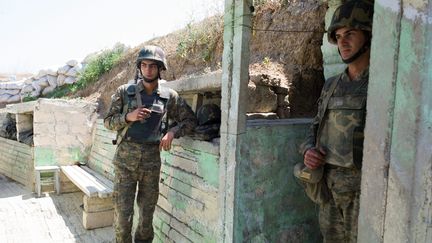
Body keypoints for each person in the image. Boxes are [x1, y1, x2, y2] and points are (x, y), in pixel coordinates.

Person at [104, 45, 197, 243]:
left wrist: (172, 132)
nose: (148, 70)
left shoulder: (168, 96)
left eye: (153, 66)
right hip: (124, 164)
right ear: (139, 67)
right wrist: (128, 117)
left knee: (146, 219)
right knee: (122, 218)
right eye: (144, 65)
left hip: (151, 164)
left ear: (160, 68)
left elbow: (190, 120)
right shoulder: (124, 92)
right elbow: (108, 122)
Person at [299, 0, 374, 242]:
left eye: (350, 34)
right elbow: (315, 127)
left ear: (368, 35)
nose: (342, 41)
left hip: (365, 196)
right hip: (329, 193)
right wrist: (309, 150)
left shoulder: (381, 84)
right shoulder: (331, 85)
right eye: (339, 36)